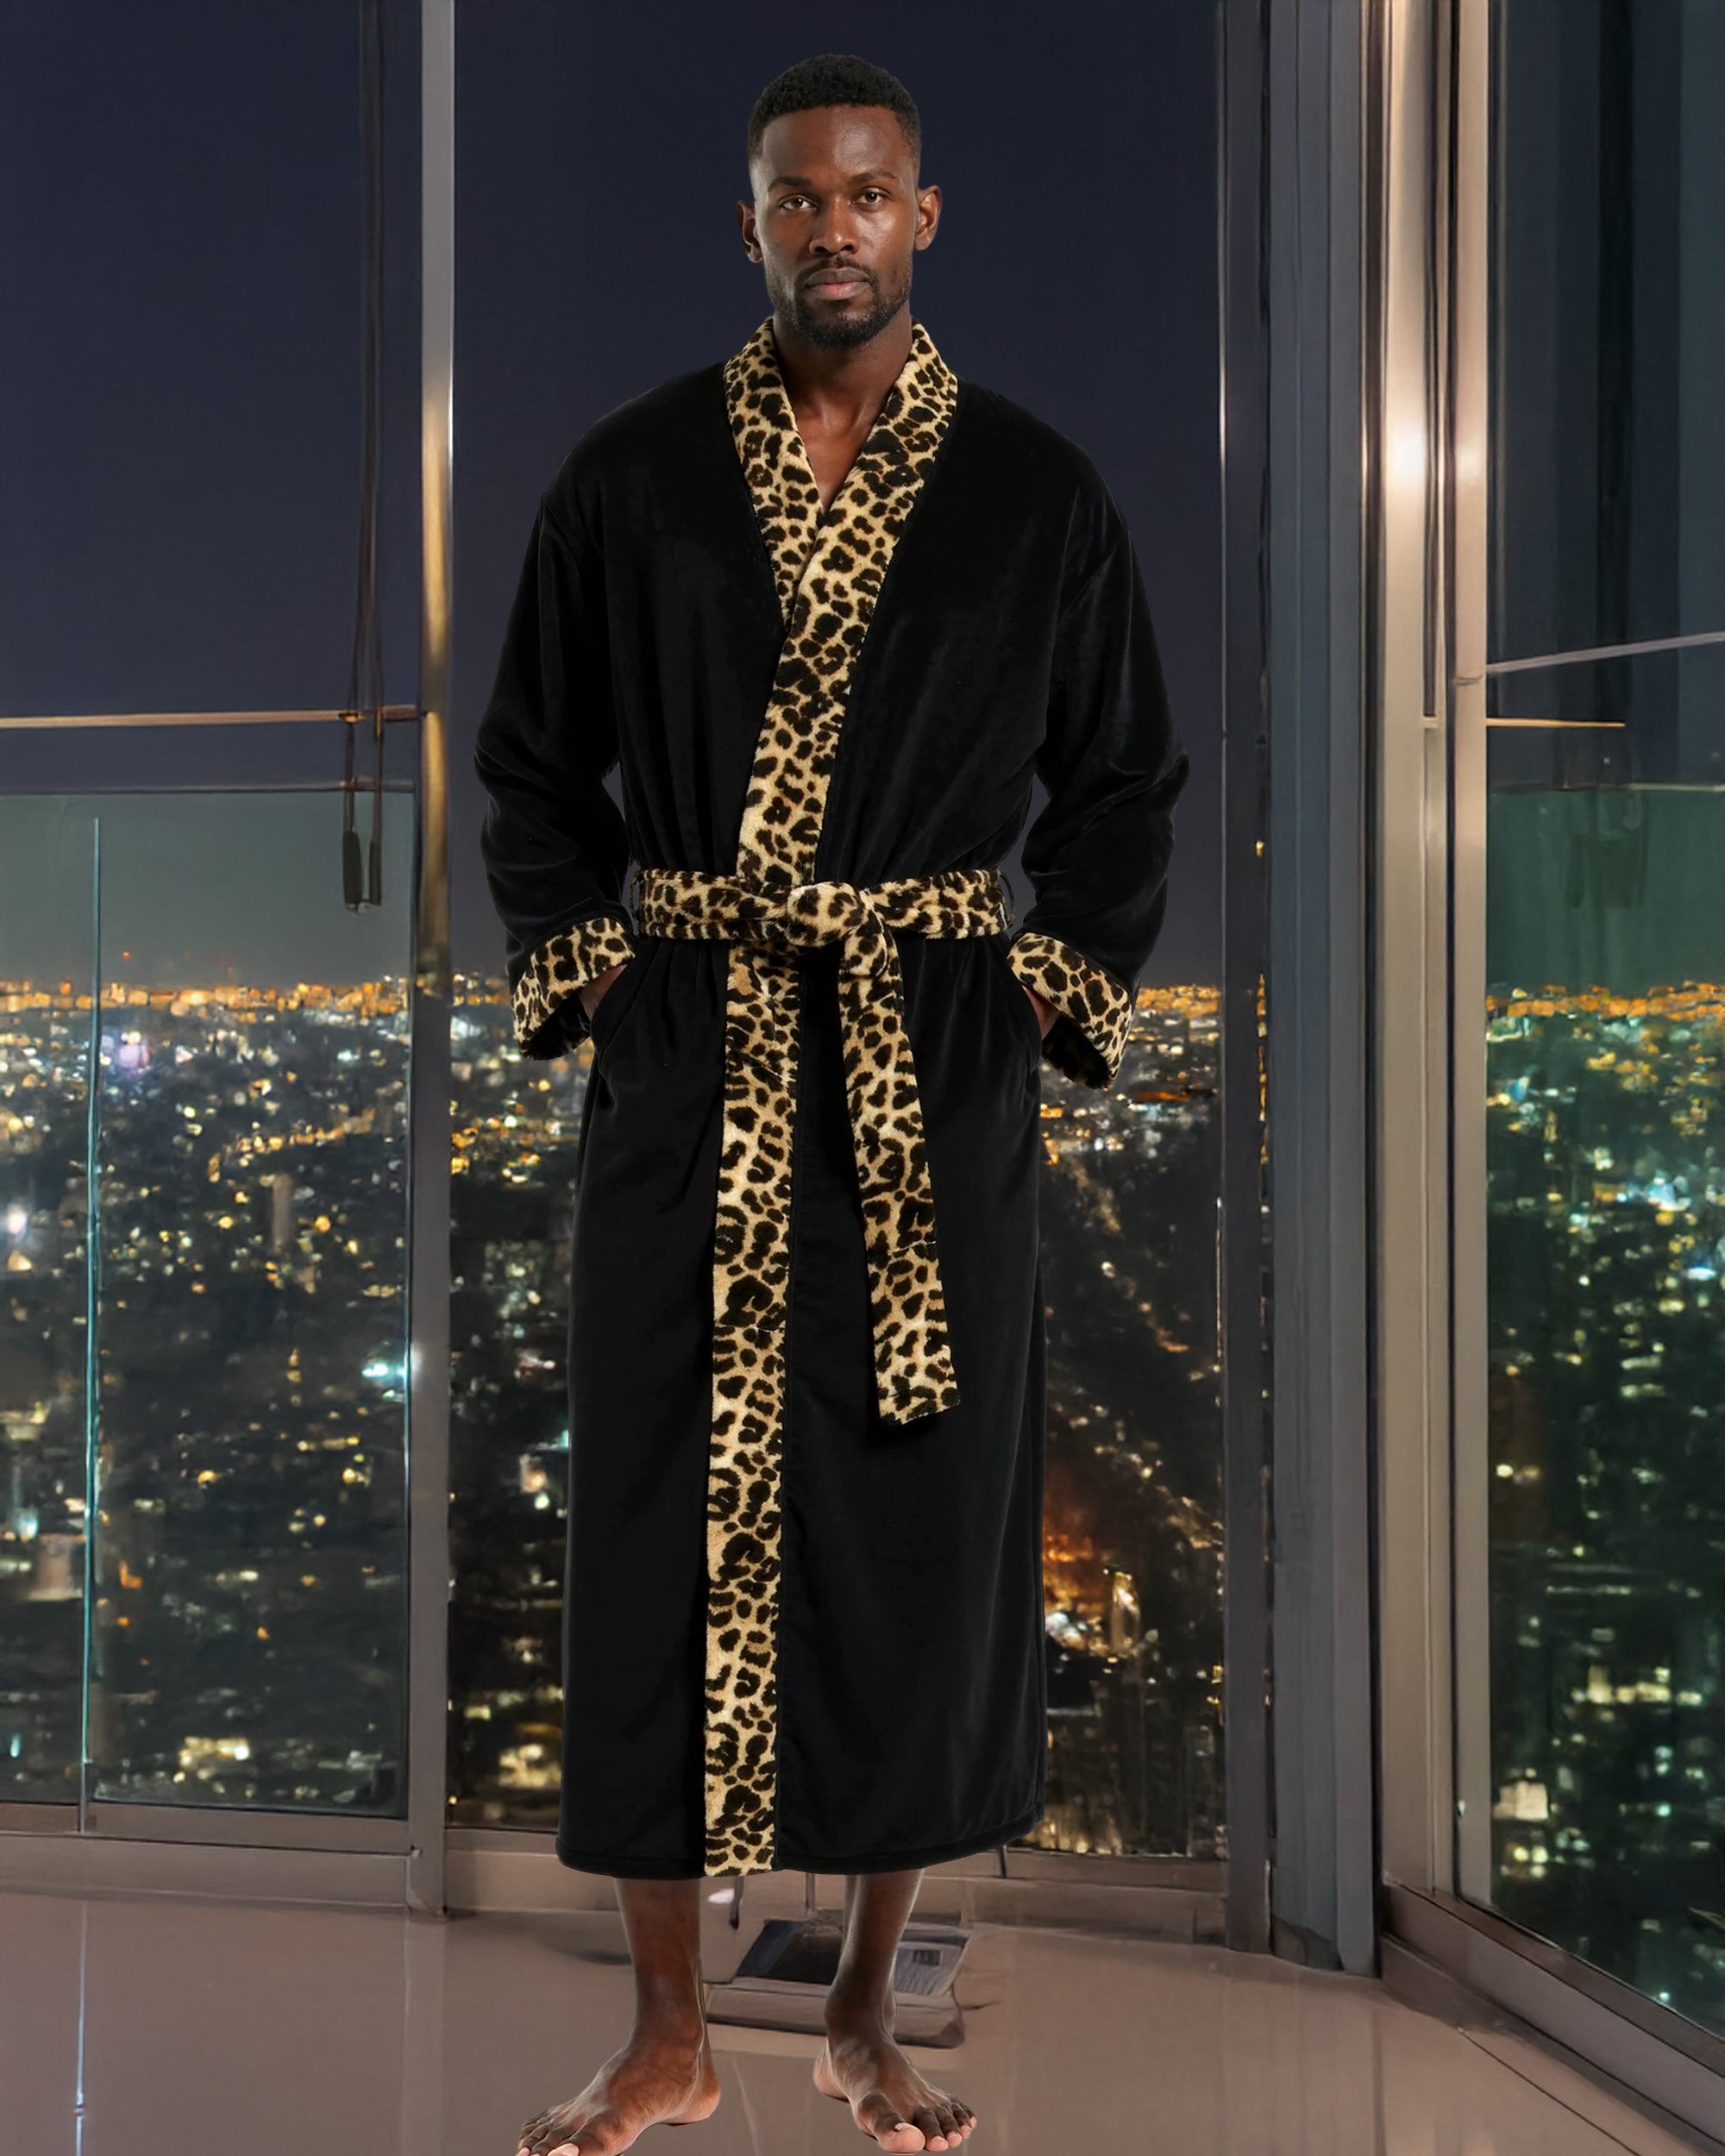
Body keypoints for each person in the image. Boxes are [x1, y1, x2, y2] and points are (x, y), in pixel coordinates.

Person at [475, 51, 1189, 2156]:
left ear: (923, 216)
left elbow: (1123, 782)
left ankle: (866, 2009)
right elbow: (531, 766)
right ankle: (667, 2029)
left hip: (919, 1060)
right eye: (796, 197)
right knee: (654, 1517)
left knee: (916, 1521)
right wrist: (608, 978)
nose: (832, 228)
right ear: (751, 225)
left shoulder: (1037, 491)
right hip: (693, 1048)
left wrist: (1032, 989)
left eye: (866, 193)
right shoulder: (628, 477)